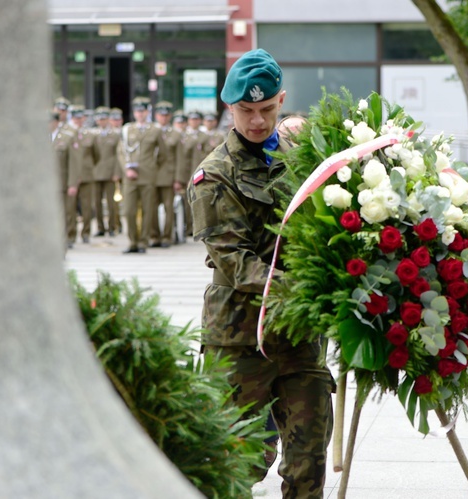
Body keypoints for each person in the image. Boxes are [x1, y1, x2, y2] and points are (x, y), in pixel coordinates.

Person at [187, 49, 334, 498]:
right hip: (239, 338)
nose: (256, 121)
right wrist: (308, 291)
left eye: (266, 109)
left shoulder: (305, 158)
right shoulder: (215, 175)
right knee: (240, 460)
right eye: (246, 111)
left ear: (282, 101)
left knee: (309, 458)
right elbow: (235, 262)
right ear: (228, 107)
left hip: (299, 335)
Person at [117, 96, 163, 254]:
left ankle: (143, 241)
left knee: (147, 210)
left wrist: (152, 168)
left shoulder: (155, 130)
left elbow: (163, 154)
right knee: (129, 210)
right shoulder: (127, 129)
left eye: (142, 111)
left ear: (147, 112)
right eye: (137, 111)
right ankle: (132, 241)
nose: (140, 114)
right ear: (134, 113)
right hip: (129, 176)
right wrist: (126, 170)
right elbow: (121, 152)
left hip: (147, 175)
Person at [151, 101, 180, 248]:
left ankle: (167, 237)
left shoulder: (175, 133)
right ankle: (154, 236)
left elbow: (178, 157)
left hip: (168, 175)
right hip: (151, 175)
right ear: (156, 116)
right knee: (151, 207)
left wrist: (177, 178)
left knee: (169, 208)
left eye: (166, 115)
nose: (163, 118)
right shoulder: (150, 131)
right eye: (161, 115)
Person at [68, 105, 98, 244]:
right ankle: (70, 234)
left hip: (86, 174)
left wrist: (89, 167)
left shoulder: (89, 134)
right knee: (71, 207)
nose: (78, 120)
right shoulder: (68, 134)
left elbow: (97, 154)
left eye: (80, 117)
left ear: (84, 118)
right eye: (75, 117)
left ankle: (86, 233)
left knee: (86, 206)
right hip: (71, 176)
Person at [50, 110, 78, 249]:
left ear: (56, 122)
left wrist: (72, 183)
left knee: (62, 215)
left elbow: (73, 163)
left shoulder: (67, 138)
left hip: (61, 183)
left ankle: (62, 245)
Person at [92, 106, 120, 237]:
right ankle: (100, 227)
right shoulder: (92, 134)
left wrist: (116, 172)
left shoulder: (115, 135)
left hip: (110, 172)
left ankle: (112, 227)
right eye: (99, 119)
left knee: (111, 202)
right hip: (95, 173)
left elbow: (118, 155)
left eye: (104, 119)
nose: (102, 122)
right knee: (97, 203)